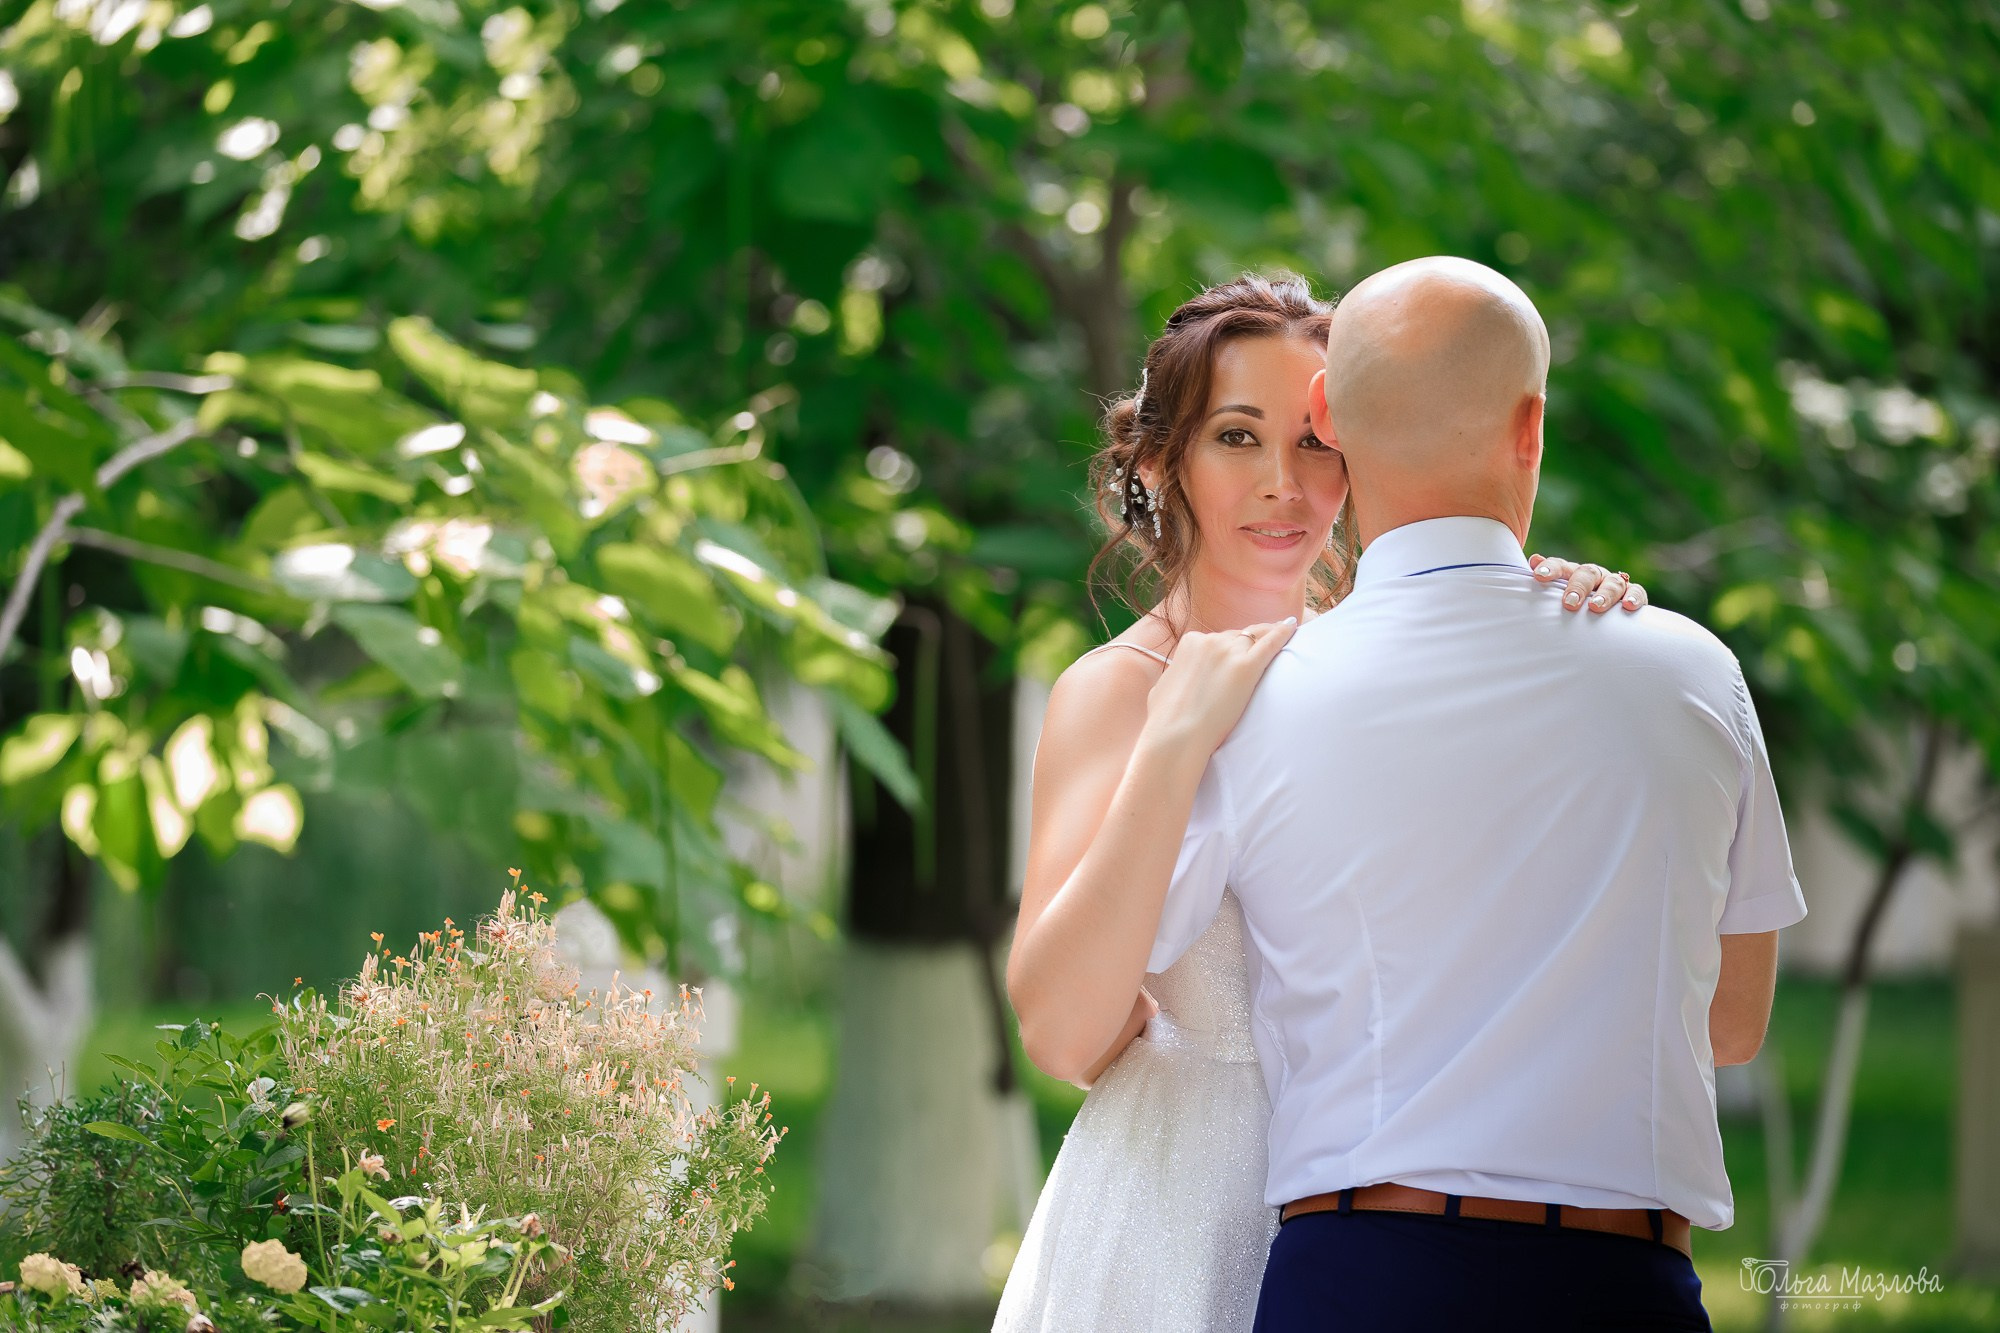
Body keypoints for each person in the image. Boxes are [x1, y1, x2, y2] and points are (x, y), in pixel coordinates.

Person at [1139, 258, 1807, 1332]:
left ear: (1325, 415)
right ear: (1530, 426)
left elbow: (1139, 978)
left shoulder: (1250, 696)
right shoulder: (1692, 672)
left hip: (1359, 1278)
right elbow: (1732, 1020)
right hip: (1621, 1283)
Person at [995, 273, 1649, 1332]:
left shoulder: (1396, 668)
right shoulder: (1116, 693)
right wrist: (1175, 739)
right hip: (1185, 1199)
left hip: (1409, 1195)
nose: (1284, 485)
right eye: (1236, 438)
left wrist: (1557, 619)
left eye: (1312, 443)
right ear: (1160, 463)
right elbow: (1065, 1036)